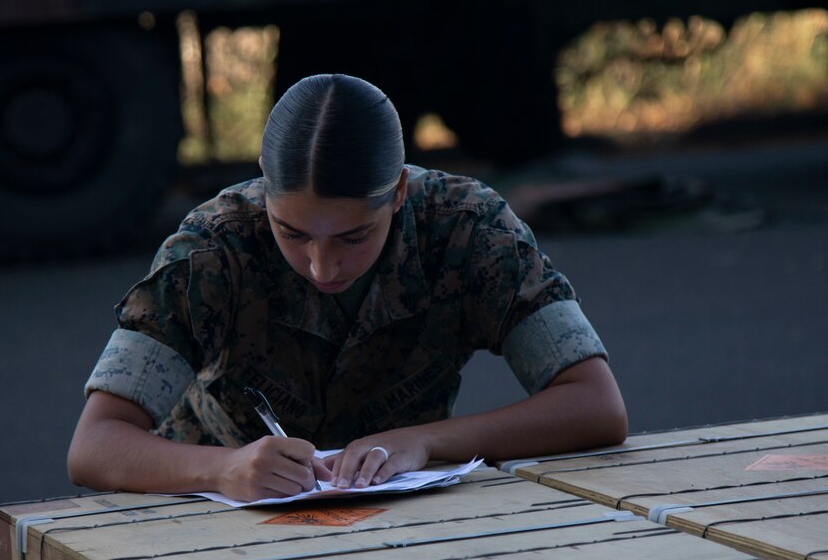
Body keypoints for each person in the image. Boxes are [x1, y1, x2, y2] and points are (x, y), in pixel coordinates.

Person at [68, 74, 627, 502]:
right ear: (265, 183)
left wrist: (427, 441)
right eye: (292, 233)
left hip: (399, 515)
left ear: (400, 191)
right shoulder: (213, 250)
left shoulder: (469, 229)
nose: (322, 266)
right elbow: (94, 445)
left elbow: (596, 404)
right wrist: (221, 468)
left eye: (354, 236)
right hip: (225, 515)